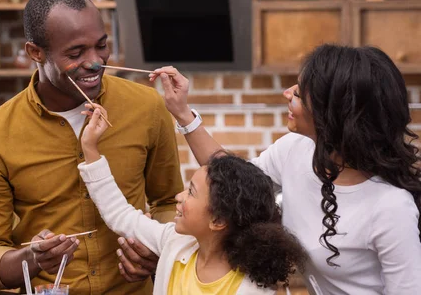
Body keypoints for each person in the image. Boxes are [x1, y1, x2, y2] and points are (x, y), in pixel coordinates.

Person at [150, 44, 421, 295]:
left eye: (300, 94)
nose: (287, 93)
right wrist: (183, 113)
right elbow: (234, 181)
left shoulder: (391, 209)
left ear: (334, 116)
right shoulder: (296, 149)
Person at [0, 0, 184, 294]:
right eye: (76, 53)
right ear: (35, 53)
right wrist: (32, 259)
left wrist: (159, 247)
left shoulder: (147, 107)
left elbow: (168, 202)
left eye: (101, 45)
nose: (96, 62)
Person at [78, 105, 308, 295]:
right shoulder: (174, 242)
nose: (179, 196)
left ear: (217, 220)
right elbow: (120, 215)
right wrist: (90, 149)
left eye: (191, 192)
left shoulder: (253, 289)